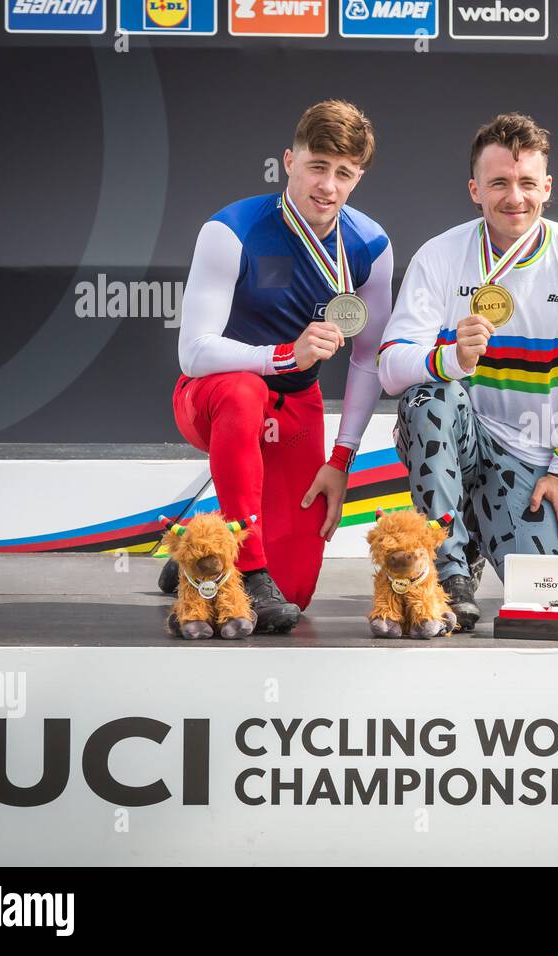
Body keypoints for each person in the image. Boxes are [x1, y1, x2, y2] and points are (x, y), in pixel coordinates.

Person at [377, 113, 558, 630]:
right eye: (499, 183)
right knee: (430, 397)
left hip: (525, 454)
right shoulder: (440, 257)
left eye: (527, 183)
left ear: (548, 188)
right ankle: (447, 570)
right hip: (455, 435)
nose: (515, 197)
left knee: (551, 601)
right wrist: (449, 360)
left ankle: (469, 537)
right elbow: (389, 368)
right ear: (475, 189)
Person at [159, 99, 393, 633]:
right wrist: (283, 354)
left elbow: (366, 360)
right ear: (289, 160)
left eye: (344, 174)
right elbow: (193, 351)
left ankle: (199, 550)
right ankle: (248, 565)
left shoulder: (371, 245)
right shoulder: (232, 228)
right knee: (242, 392)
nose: (327, 186)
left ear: (357, 178)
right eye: (316, 166)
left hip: (296, 403)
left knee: (297, 594)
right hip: (213, 398)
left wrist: (342, 457)